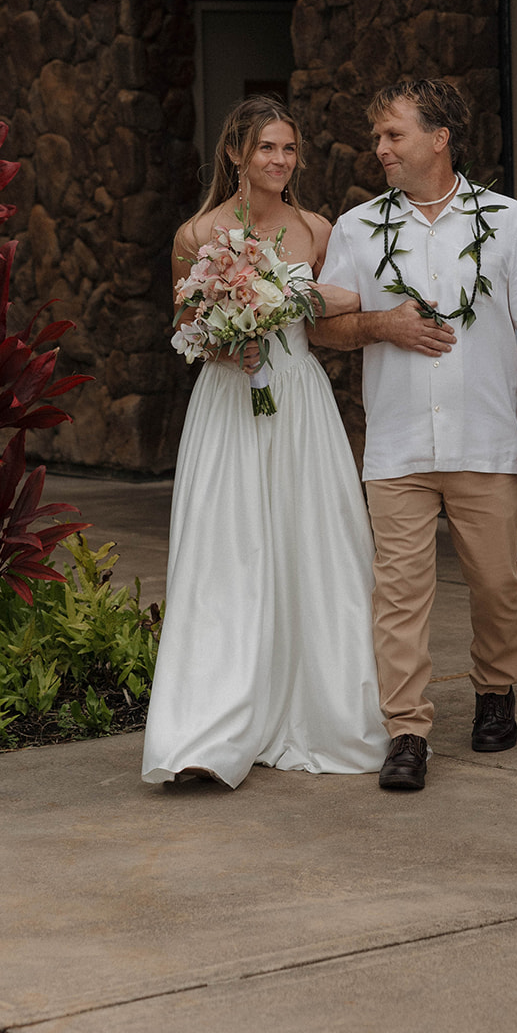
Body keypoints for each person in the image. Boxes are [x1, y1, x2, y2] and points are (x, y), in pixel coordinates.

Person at [313, 78, 517, 792]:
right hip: (395, 446)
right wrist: (380, 324)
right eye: (377, 138)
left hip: (484, 441)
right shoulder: (358, 228)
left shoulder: (510, 221)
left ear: (438, 137)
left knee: (497, 583)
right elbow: (323, 325)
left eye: (393, 135)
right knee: (396, 594)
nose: (381, 149)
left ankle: (495, 690)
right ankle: (406, 731)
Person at [141, 95, 387, 789]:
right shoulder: (197, 233)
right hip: (229, 405)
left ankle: (325, 712)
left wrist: (286, 300)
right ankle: (208, 728)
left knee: (317, 548)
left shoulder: (316, 227)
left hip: (298, 401)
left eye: (288, 149)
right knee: (228, 554)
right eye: (266, 149)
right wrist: (227, 340)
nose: (279, 161)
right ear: (235, 155)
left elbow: (346, 301)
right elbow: (185, 328)